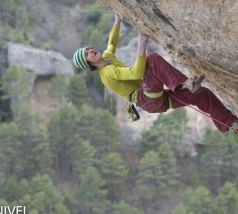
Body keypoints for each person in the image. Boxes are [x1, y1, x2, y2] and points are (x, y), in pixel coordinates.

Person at [73, 14, 238, 133]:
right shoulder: (107, 72)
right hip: (146, 98)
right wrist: (141, 47)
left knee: (203, 95)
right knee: (151, 59)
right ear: (89, 64)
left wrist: (117, 23)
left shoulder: (107, 57)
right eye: (87, 54)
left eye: (88, 49)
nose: (91, 51)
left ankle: (231, 124)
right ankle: (188, 84)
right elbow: (136, 73)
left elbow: (111, 44)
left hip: (156, 98)